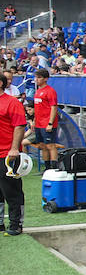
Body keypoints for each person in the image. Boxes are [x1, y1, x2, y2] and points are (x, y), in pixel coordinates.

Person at [0, 72, 26, 235]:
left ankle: (16, 223)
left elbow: (20, 126)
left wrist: (14, 148)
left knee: (11, 190)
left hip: (7, 153)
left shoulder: (12, 102)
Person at [31, 68, 57, 171]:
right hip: (38, 123)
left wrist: (50, 123)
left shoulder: (50, 91)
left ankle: (54, 168)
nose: (36, 79)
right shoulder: (38, 91)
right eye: (36, 77)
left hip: (47, 123)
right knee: (42, 146)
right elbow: (37, 108)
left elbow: (54, 107)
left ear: (46, 79)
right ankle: (47, 169)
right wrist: (34, 121)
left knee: (50, 145)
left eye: (39, 77)